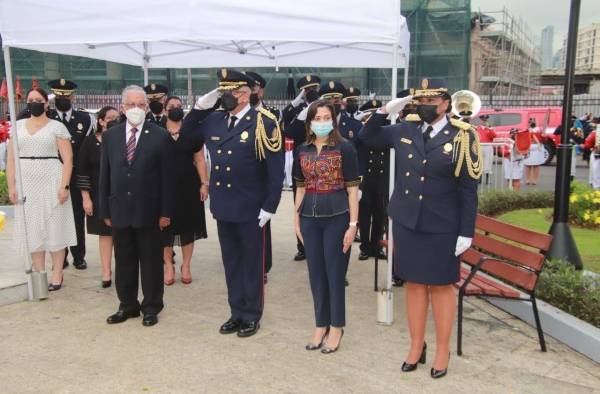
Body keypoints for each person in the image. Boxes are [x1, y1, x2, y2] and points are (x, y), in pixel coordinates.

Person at [360, 78, 481, 379]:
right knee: (414, 284)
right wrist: (387, 108)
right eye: (421, 102)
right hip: (407, 221)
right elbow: (367, 136)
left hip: (442, 226)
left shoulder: (463, 136)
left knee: (440, 287)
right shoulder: (406, 128)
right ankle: (416, 345)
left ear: (445, 103)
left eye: (431, 102)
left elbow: (468, 190)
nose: (425, 107)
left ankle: (442, 349)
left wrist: (466, 231)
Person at [180, 69, 284, 337]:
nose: (226, 96)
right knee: (232, 262)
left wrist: (270, 206)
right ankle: (236, 312)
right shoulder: (214, 120)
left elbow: (275, 170)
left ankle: (251, 314)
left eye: (232, 92)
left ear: (246, 94)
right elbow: (186, 138)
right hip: (224, 205)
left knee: (251, 263)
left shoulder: (264, 122)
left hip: (252, 207)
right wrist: (200, 107)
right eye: (223, 91)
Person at [99, 85, 175, 327]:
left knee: (151, 262)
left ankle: (151, 307)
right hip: (120, 210)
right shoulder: (111, 135)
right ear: (123, 107)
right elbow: (104, 175)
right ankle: (128, 305)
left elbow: (168, 178)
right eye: (131, 105)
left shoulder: (160, 135)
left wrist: (165, 212)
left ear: (147, 107)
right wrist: (105, 209)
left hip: (150, 212)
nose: (136, 109)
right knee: (124, 260)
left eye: (140, 105)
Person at [293, 100, 360, 353]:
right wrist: (296, 217)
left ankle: (337, 327)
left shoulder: (345, 148)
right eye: (317, 118)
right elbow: (299, 187)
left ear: (333, 120)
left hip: (337, 217)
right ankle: (320, 324)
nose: (322, 122)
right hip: (309, 218)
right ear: (310, 122)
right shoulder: (302, 149)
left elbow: (353, 189)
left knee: (334, 274)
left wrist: (353, 225)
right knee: (316, 275)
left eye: (326, 117)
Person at [6, 87, 77, 291]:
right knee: (33, 229)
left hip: (52, 180)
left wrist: (64, 186)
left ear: (46, 104)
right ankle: (39, 273)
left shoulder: (57, 127)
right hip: (26, 183)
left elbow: (68, 158)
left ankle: (57, 273)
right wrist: (12, 185)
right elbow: (11, 158)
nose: (34, 102)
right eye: (31, 99)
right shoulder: (17, 127)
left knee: (55, 228)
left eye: (38, 99)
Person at [162, 96, 208, 286]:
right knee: (164, 228)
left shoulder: (192, 132)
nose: (176, 109)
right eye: (172, 106)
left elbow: (199, 159)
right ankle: (168, 266)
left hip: (189, 186)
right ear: (165, 110)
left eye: (179, 106)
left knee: (188, 227)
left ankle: (186, 265)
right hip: (162, 187)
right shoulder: (156, 132)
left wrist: (204, 183)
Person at [47, 79, 93, 270]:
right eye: (59, 95)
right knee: (56, 218)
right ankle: (61, 255)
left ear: (72, 96)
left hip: (74, 177)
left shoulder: (84, 119)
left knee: (76, 218)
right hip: (52, 176)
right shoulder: (47, 116)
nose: (63, 98)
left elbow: (85, 151)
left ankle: (78, 255)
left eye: (66, 95)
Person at [76, 106, 120, 288]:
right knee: (105, 234)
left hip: (120, 194)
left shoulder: (123, 140)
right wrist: (86, 198)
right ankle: (106, 271)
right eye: (110, 118)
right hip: (98, 195)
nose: (114, 120)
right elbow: (82, 170)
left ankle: (124, 270)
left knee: (122, 234)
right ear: (101, 121)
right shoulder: (89, 142)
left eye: (117, 117)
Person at [283, 74, 322, 262]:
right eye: (307, 91)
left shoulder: (327, 109)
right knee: (300, 207)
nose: (311, 93)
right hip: (302, 164)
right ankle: (303, 246)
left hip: (323, 162)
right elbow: (287, 129)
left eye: (313, 89)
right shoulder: (298, 109)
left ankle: (320, 245)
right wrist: (301, 104)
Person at [245, 71, 279, 281]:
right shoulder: (234, 114)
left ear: (261, 90)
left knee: (261, 228)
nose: (252, 92)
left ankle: (262, 267)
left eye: (255, 88)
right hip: (241, 182)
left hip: (261, 182)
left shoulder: (270, 116)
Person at [356, 99, 388, 261]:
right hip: (366, 179)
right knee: (364, 216)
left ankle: (377, 246)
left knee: (380, 215)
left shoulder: (386, 131)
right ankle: (365, 247)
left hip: (381, 179)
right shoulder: (362, 133)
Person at [524, 119, 544, 185]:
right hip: (529, 147)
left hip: (537, 148)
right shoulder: (526, 130)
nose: (532, 122)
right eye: (530, 121)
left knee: (536, 165)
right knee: (527, 165)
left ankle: (534, 180)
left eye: (533, 121)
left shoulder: (540, 130)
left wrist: (544, 136)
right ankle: (528, 179)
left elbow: (544, 139)